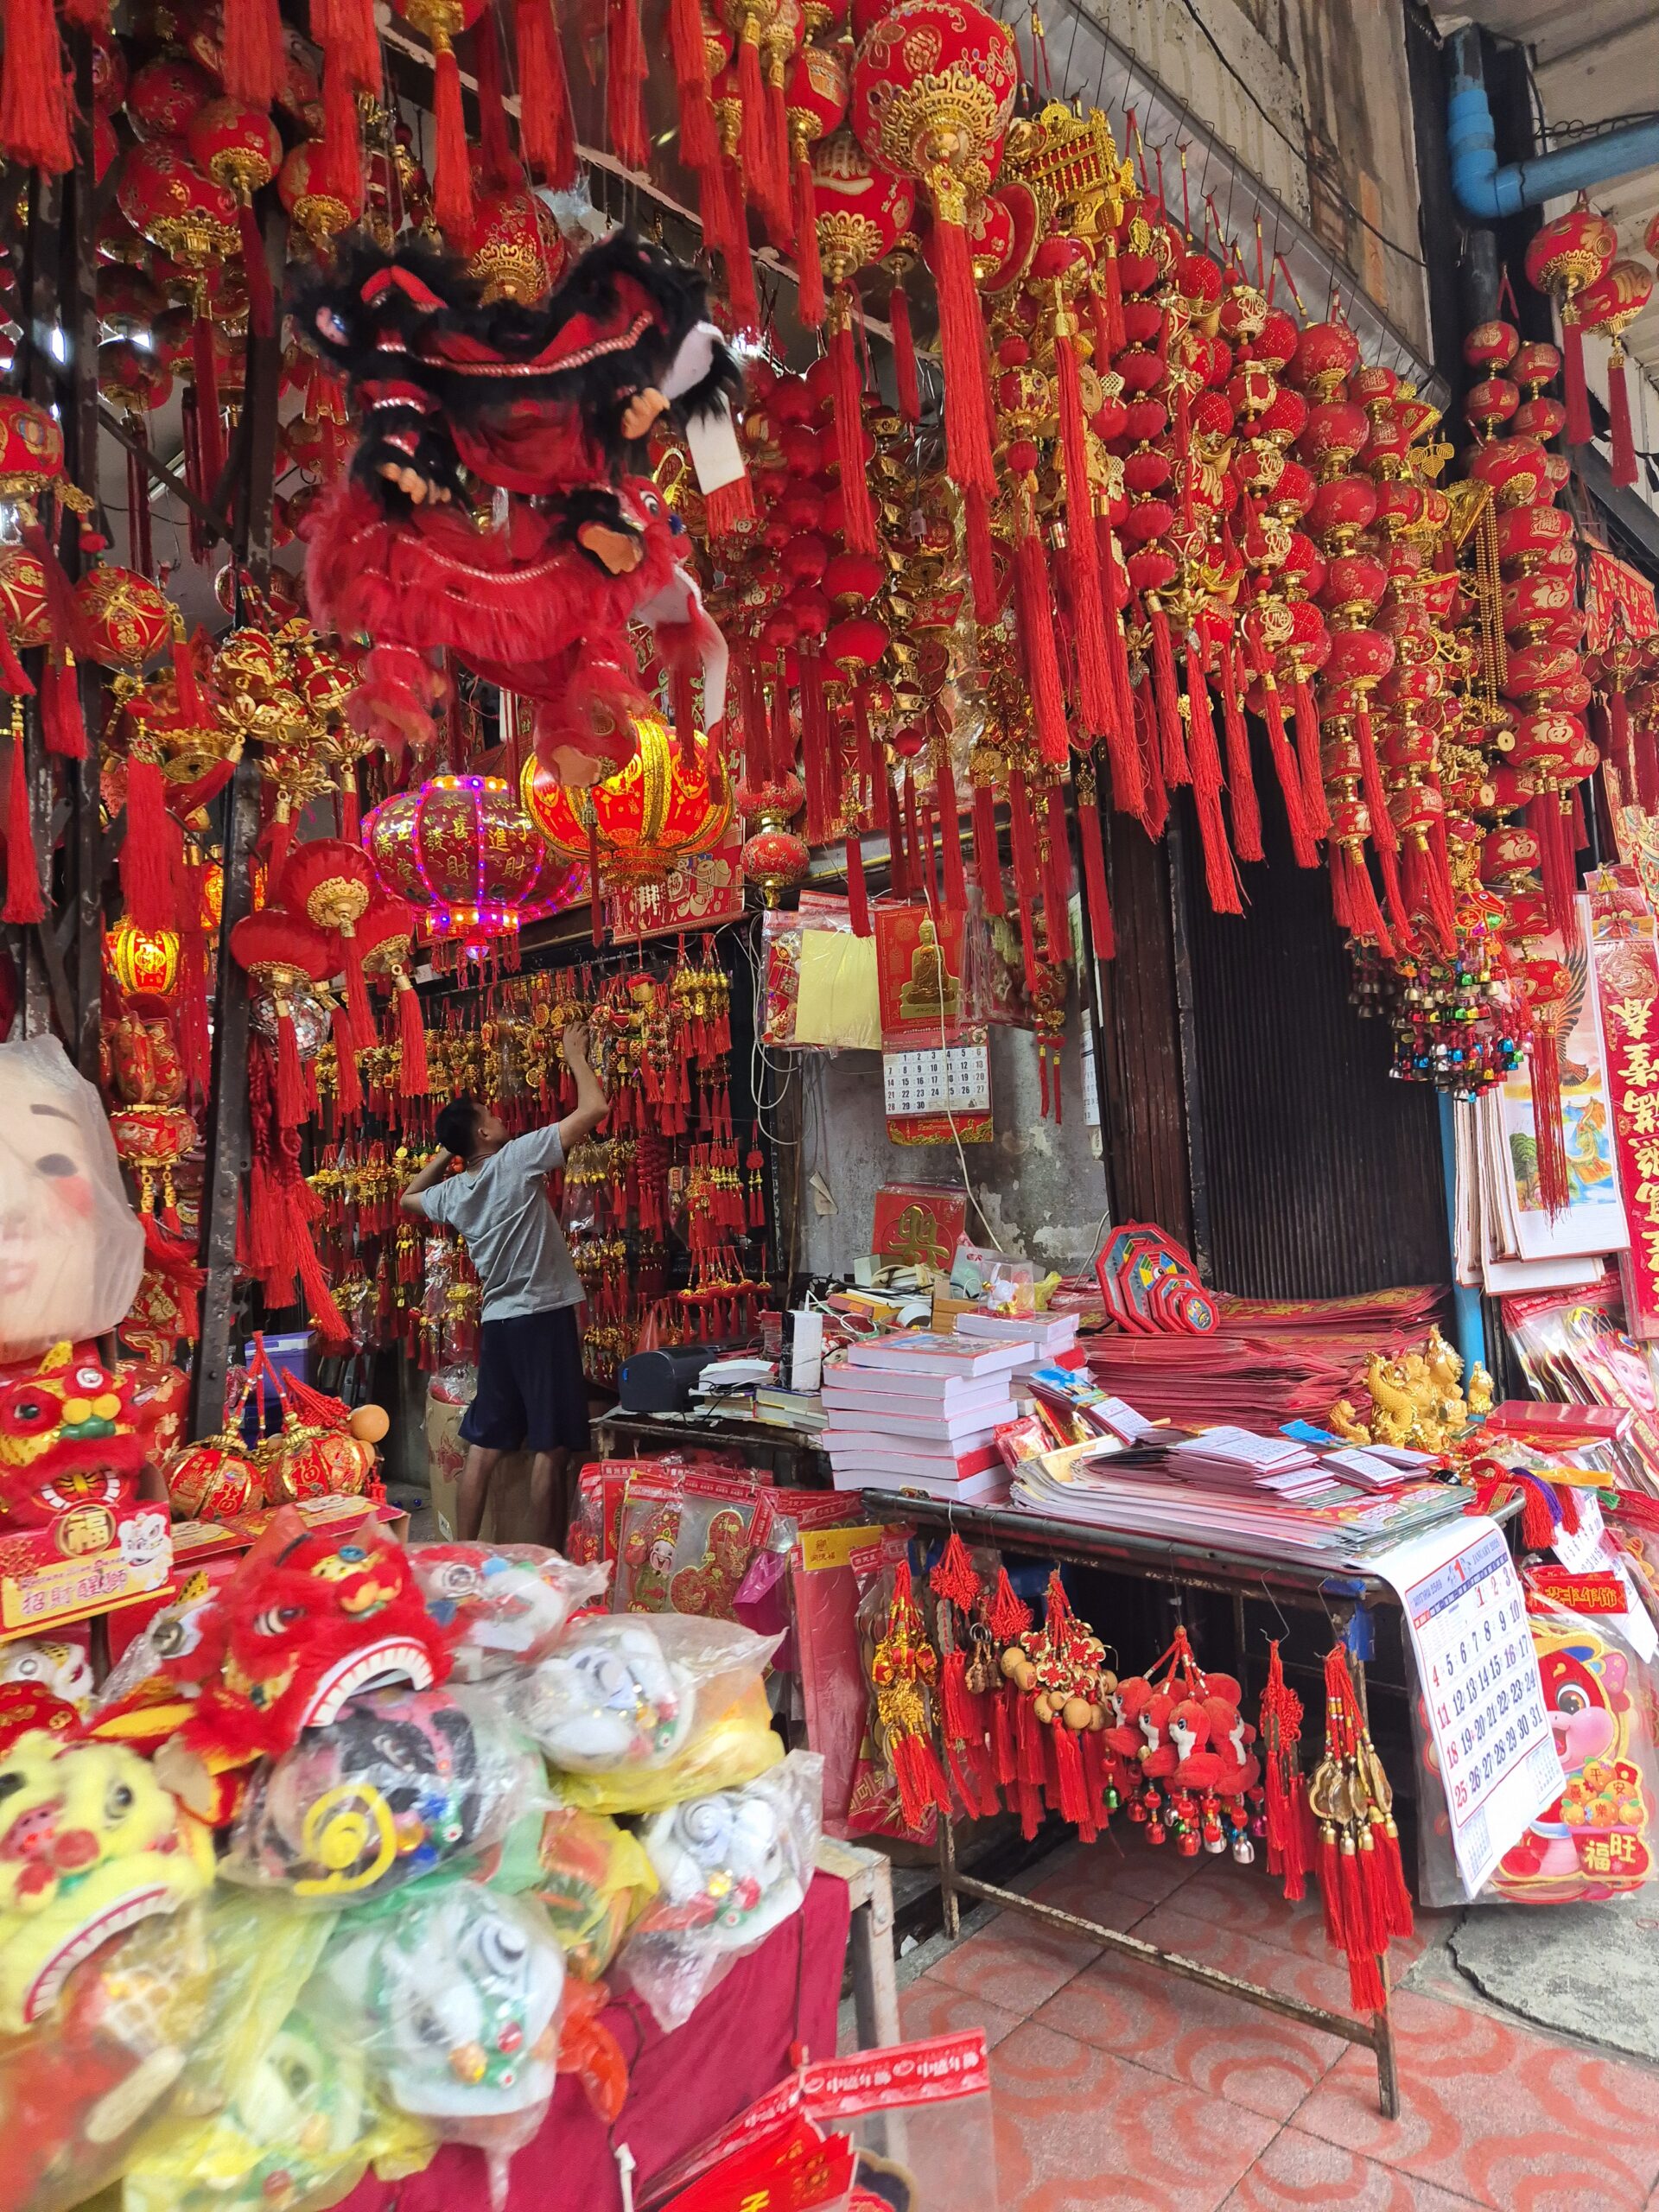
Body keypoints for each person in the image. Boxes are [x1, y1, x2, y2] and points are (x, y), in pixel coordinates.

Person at [400, 1023, 607, 1543]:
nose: (501, 1119)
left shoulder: (454, 1193)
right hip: (543, 1316)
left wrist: (450, 1153)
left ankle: (463, 1553)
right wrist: (574, 1056)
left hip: (499, 1323)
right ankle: (545, 1563)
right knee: (551, 1445)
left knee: (485, 1446)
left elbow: (407, 1197)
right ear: (485, 1135)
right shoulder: (515, 1159)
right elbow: (594, 1111)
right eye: (490, 1118)